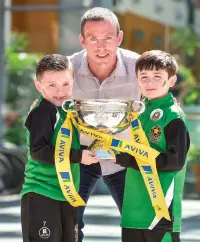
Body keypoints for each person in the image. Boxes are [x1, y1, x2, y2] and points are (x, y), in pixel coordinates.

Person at [68, 7, 141, 241]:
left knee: (139, 223)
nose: (101, 46)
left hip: (126, 159)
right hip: (81, 158)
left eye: (108, 38)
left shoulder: (139, 68)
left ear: (119, 37)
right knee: (69, 223)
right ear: (82, 40)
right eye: (93, 39)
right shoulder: (66, 69)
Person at [20, 54, 99, 242]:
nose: (60, 91)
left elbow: (69, 145)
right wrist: (80, 156)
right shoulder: (43, 111)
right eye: (52, 85)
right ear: (38, 86)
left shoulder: (66, 110)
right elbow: (39, 151)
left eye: (65, 84)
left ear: (73, 82)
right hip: (42, 193)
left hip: (65, 193)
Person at [114, 50, 190, 242]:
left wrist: (130, 160)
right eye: (144, 77)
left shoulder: (173, 116)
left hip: (161, 212)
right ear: (137, 81)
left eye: (157, 77)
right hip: (133, 211)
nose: (150, 83)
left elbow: (174, 162)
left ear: (171, 81)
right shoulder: (137, 113)